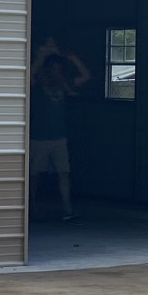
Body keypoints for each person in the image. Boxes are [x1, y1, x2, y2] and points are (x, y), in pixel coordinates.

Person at [29, 37, 90, 220]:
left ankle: (67, 208)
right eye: (53, 68)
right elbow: (29, 75)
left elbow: (85, 76)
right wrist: (43, 55)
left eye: (59, 69)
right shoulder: (37, 85)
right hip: (39, 137)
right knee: (34, 175)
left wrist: (72, 57)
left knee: (64, 173)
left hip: (59, 137)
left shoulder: (64, 84)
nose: (56, 71)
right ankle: (30, 206)